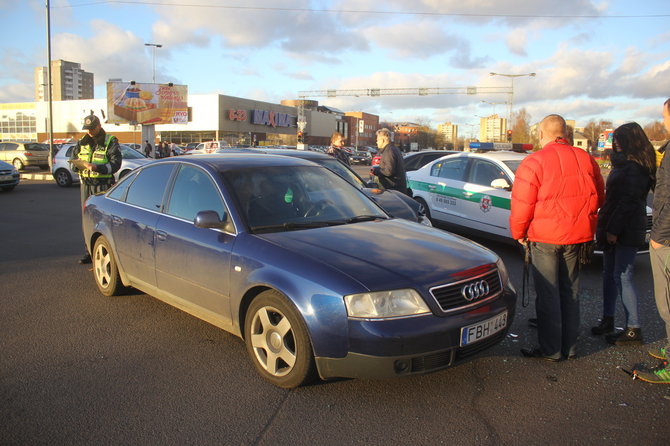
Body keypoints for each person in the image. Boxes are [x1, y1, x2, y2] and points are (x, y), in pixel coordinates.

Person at [510, 114, 605, 361]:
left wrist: (518, 233)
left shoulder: (534, 162)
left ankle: (551, 349)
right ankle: (570, 346)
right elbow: (599, 196)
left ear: (542, 134)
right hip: (577, 236)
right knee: (570, 290)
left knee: (548, 293)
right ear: (566, 134)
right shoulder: (586, 159)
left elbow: (522, 203)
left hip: (545, 237)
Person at [591, 122, 656, 345]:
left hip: (625, 228)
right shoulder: (623, 164)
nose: (615, 142)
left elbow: (628, 202)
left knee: (623, 276)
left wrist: (612, 230)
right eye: (614, 138)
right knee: (610, 274)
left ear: (632, 140)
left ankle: (633, 328)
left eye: (619, 138)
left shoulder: (636, 167)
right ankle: (607, 319)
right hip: (613, 224)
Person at [637, 98, 670, 383]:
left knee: (667, 301)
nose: (663, 121)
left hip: (666, 238)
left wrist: (659, 236)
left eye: (664, 115)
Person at [71, 113, 122, 264]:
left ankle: (106, 252)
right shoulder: (82, 142)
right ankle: (89, 251)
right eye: (87, 129)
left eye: (92, 128)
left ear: (99, 126)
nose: (90, 132)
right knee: (87, 219)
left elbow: (116, 164)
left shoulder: (110, 141)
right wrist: (76, 164)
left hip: (103, 186)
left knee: (103, 220)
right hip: (86, 185)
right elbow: (73, 161)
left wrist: (97, 167)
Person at [371, 128, 408, 194]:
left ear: (382, 140)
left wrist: (376, 171)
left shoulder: (389, 151)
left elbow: (389, 171)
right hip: (397, 190)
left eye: (377, 140)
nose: (376, 142)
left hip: (393, 191)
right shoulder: (393, 149)